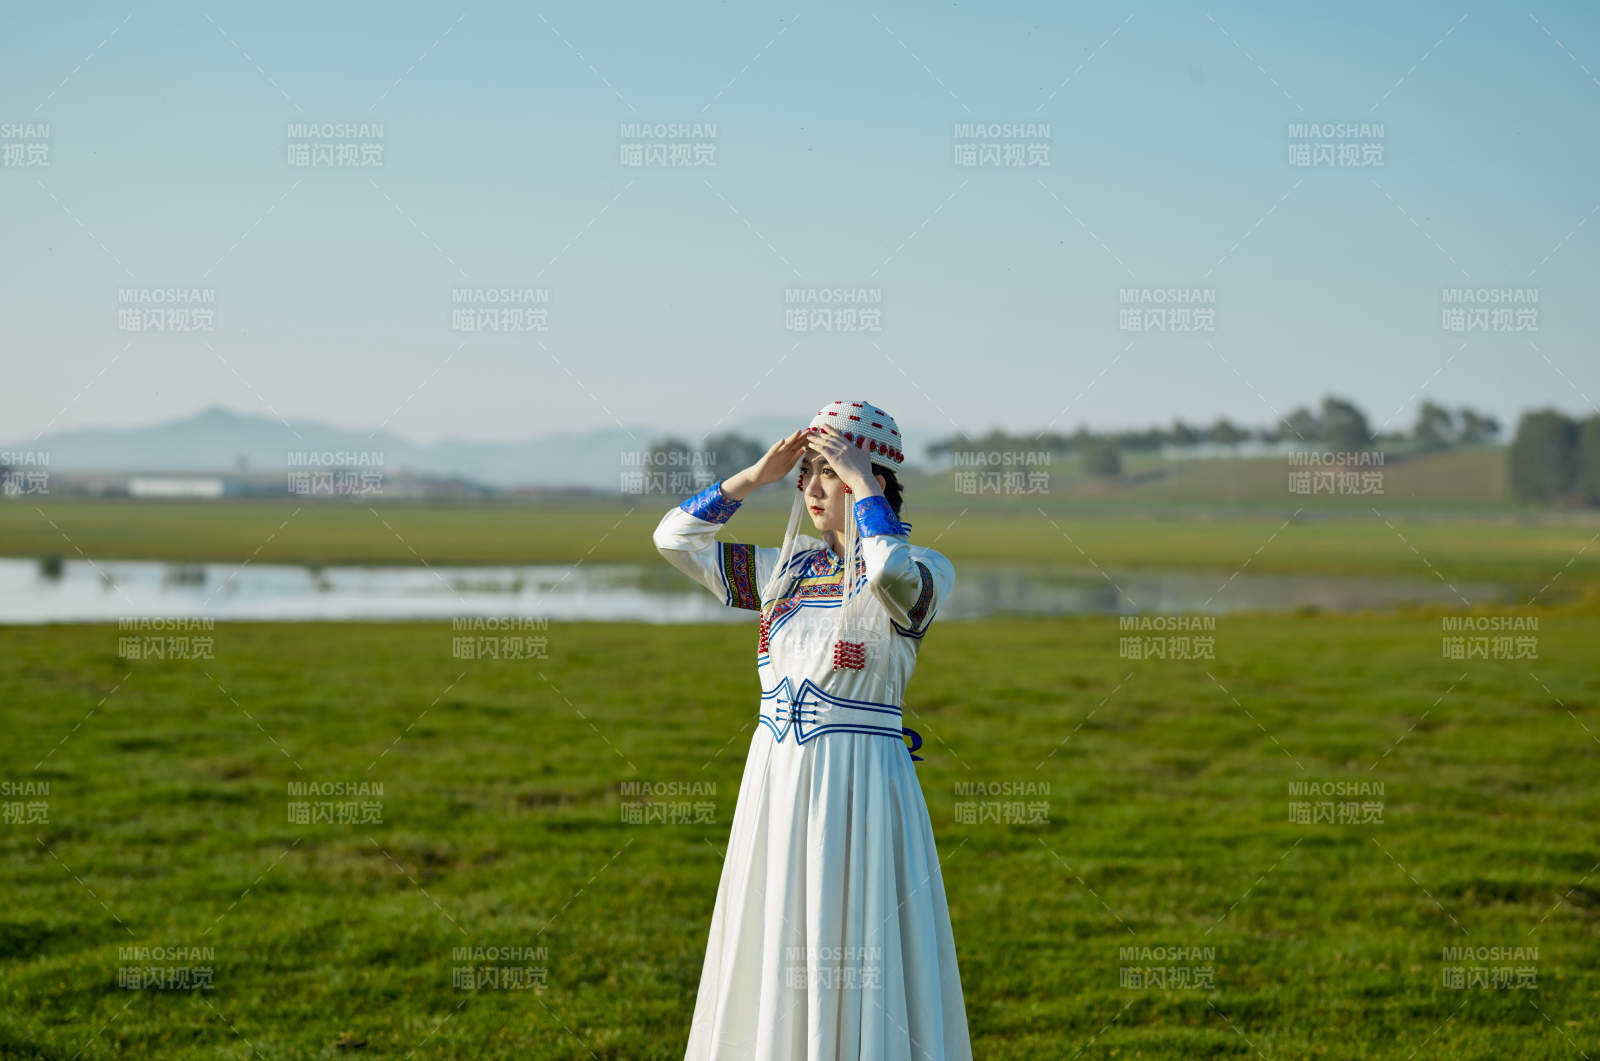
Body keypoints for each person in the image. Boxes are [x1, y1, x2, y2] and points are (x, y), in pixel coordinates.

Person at [653, 400, 973, 1061]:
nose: (814, 487)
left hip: (861, 790)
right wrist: (752, 477)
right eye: (809, 474)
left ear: (875, 480)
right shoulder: (785, 571)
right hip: (777, 784)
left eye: (829, 471)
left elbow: (886, 571)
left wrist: (861, 483)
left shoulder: (924, 571)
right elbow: (674, 540)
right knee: (775, 932)